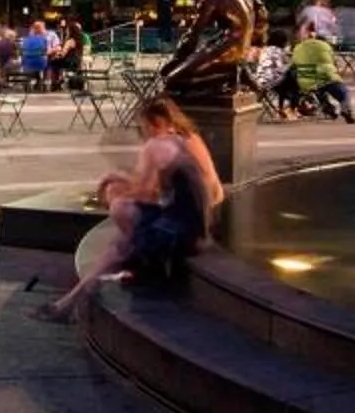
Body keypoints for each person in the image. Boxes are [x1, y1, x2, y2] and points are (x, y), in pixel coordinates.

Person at [32, 98, 226, 322]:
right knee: (119, 243)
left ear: (154, 123)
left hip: (181, 233)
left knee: (120, 212)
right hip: (197, 229)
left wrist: (112, 186)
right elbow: (163, 194)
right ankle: (70, 301)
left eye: (142, 127)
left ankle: (73, 300)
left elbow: (146, 192)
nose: (142, 133)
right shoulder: (184, 139)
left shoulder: (157, 145)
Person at [286, 25, 353, 122]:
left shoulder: (297, 48)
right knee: (345, 93)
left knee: (318, 90)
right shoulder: (326, 46)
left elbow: (294, 65)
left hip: (307, 82)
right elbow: (334, 63)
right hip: (327, 78)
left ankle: (329, 110)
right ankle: (346, 109)